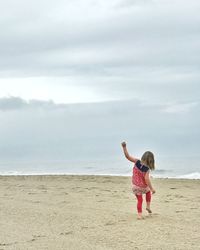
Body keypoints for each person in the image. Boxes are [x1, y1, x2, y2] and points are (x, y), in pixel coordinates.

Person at [121, 141, 155, 219]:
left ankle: (139, 215)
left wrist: (124, 147)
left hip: (135, 186)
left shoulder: (136, 162)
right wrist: (152, 188)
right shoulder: (147, 169)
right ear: (151, 161)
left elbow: (127, 156)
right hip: (143, 187)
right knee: (148, 192)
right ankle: (148, 206)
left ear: (143, 157)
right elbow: (147, 179)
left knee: (139, 200)